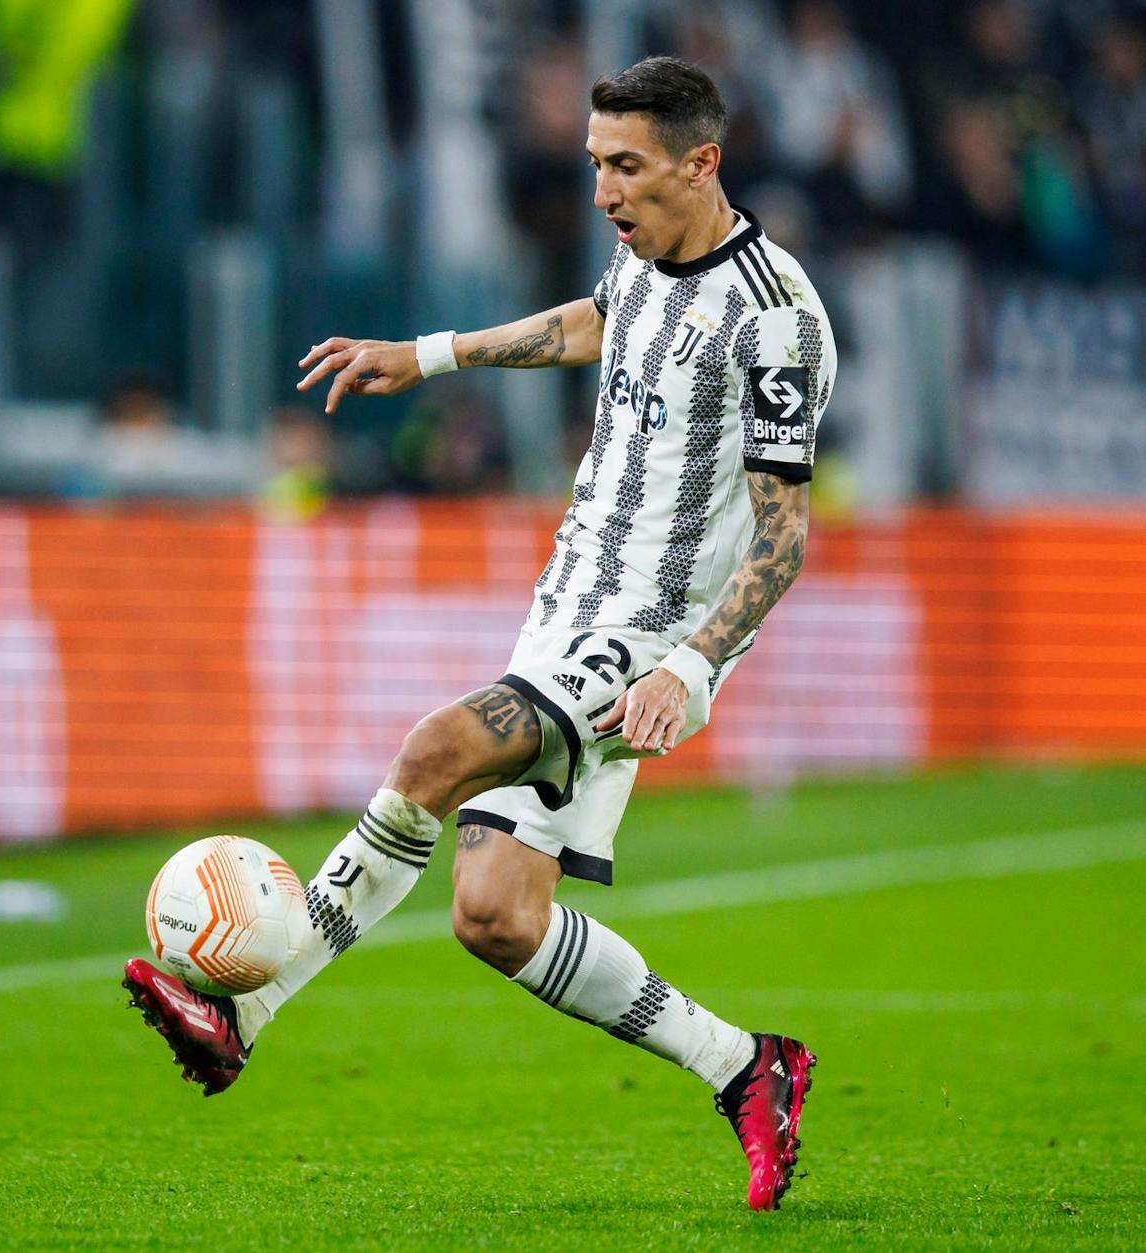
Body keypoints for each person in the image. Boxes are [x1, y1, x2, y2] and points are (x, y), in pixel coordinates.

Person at [122, 56, 834, 1211]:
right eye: (594, 163)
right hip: (563, 609)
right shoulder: (644, 252)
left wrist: (691, 665)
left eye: (626, 167)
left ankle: (244, 1007)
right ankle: (745, 1066)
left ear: (701, 162)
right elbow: (598, 321)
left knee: (435, 749)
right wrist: (429, 354)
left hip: (647, 638)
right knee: (495, 916)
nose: (602, 191)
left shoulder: (776, 321)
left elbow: (784, 534)